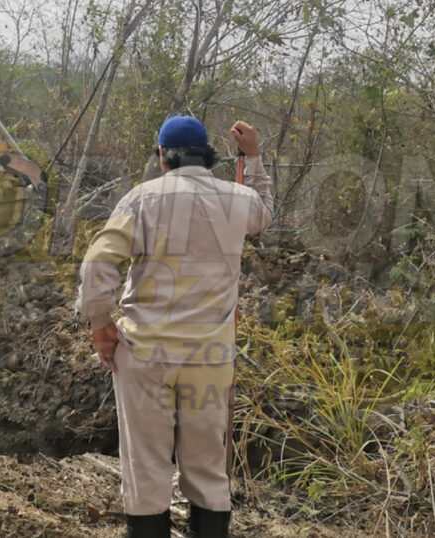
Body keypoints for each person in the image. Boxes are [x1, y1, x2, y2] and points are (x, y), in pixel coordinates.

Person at [76, 116, 273, 537]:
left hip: (145, 354)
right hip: (211, 357)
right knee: (207, 469)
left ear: (163, 156)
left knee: (146, 469)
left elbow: (98, 262)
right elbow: (263, 214)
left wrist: (100, 323)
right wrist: (253, 158)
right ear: (207, 155)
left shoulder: (142, 199)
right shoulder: (237, 200)